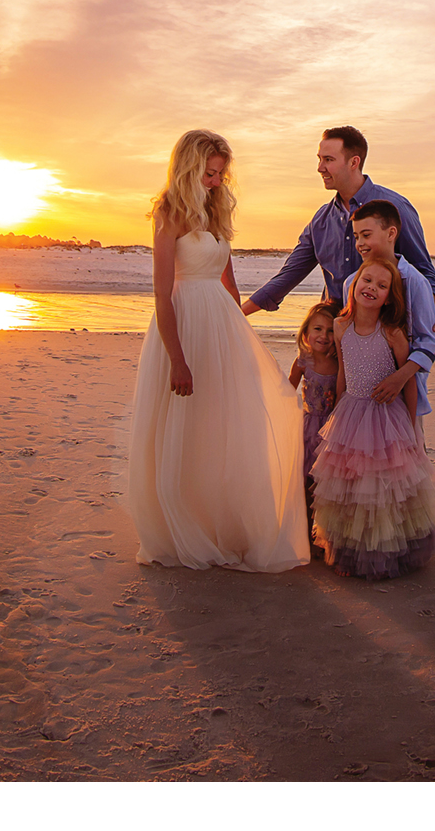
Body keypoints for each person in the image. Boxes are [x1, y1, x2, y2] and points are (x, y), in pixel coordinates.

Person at [128, 130, 310, 572]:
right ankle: (183, 526)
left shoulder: (215, 209)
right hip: (185, 326)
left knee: (225, 422)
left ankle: (221, 521)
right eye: (208, 173)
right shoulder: (169, 213)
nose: (214, 181)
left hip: (220, 327)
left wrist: (242, 340)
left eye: (220, 173)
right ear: (190, 167)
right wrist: (177, 358)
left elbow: (229, 285)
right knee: (185, 428)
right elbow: (162, 295)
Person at [309, 259, 435, 579]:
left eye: (382, 286)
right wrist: (337, 411)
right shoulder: (341, 327)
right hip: (351, 412)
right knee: (351, 484)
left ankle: (386, 551)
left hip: (386, 418)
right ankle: (350, 549)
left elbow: (407, 382)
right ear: (354, 285)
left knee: (384, 486)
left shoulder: (392, 333)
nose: (372, 288)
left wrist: (410, 428)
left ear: (389, 297)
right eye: (367, 280)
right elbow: (343, 372)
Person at [242, 125, 435, 320]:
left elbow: (426, 278)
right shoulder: (320, 221)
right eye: (319, 159)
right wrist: (238, 314)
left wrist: (428, 321)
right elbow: (287, 277)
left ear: (354, 162)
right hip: (332, 337)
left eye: (328, 160)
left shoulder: (396, 208)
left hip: (385, 339)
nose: (320, 168)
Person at [332, 198, 435, 425]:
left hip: (401, 395)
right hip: (358, 398)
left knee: (405, 453)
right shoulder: (352, 283)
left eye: (367, 235)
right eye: (357, 236)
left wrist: (399, 379)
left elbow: (428, 341)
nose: (360, 243)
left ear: (391, 234)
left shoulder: (414, 282)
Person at [289, 300, 340, 513]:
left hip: (331, 429)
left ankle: (322, 527)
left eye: (330, 331)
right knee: (304, 478)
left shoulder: (340, 363)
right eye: (317, 329)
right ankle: (305, 525)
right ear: (306, 332)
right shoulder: (303, 361)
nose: (324, 336)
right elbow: (286, 390)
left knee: (325, 481)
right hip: (307, 428)